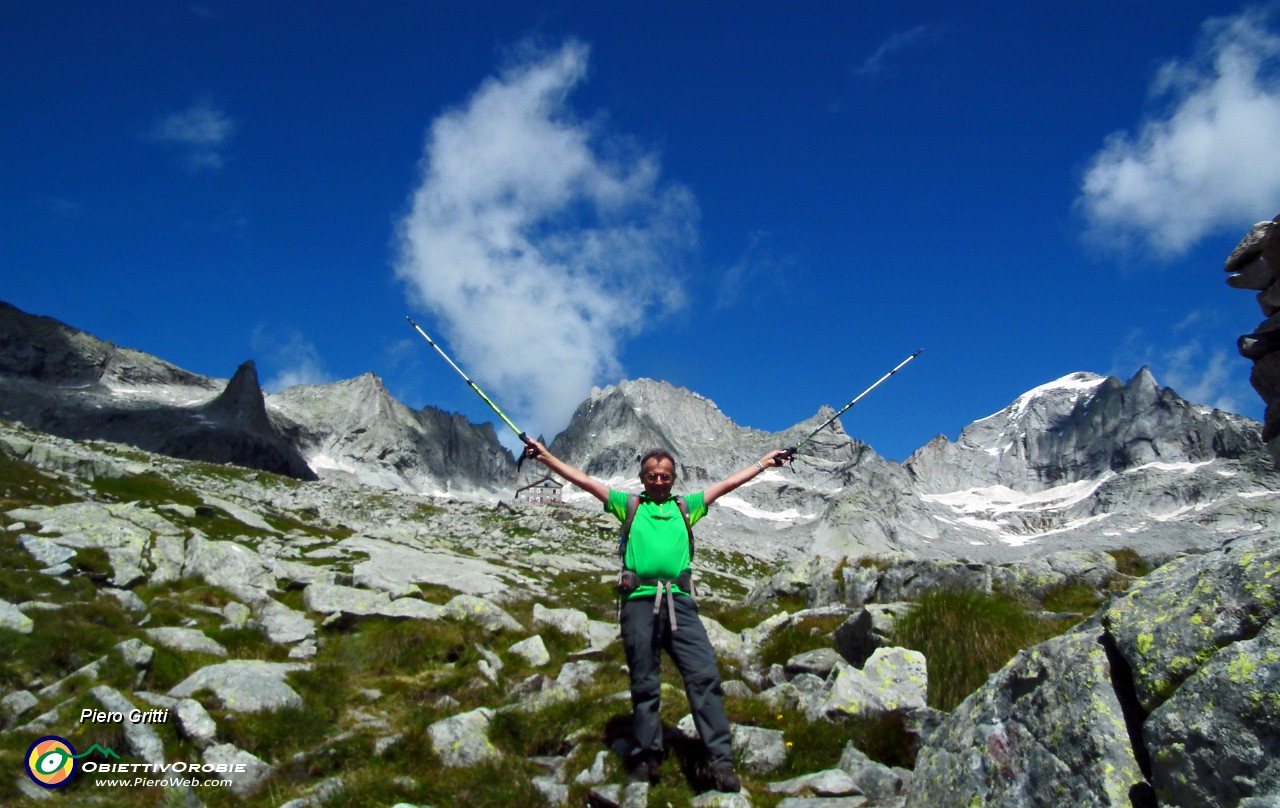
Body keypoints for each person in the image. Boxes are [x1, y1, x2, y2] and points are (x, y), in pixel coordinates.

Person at [523, 438, 791, 793]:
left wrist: (764, 463)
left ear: (673, 478)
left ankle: (721, 763)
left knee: (704, 676)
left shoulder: (688, 507)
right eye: (653, 476)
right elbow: (584, 481)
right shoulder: (628, 505)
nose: (659, 481)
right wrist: (546, 458)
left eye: (665, 476)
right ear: (643, 478)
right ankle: (646, 758)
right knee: (644, 681)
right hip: (638, 601)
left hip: (680, 602)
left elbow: (727, 484)